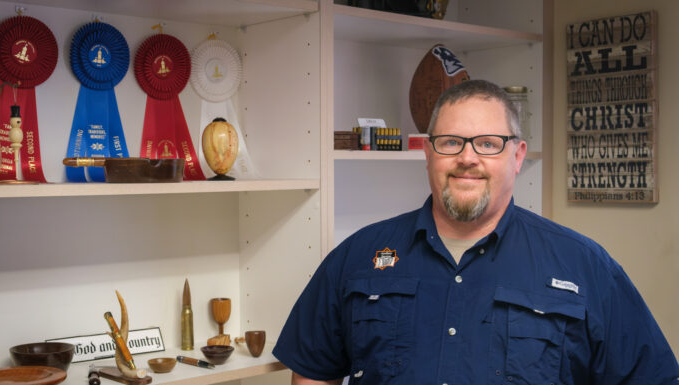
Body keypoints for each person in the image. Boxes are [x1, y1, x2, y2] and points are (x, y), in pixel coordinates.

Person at [273, 80, 679, 384]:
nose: (467, 158)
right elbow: (313, 374)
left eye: (488, 143)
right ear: (428, 154)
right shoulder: (357, 258)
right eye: (451, 142)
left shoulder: (585, 266)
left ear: (516, 156)